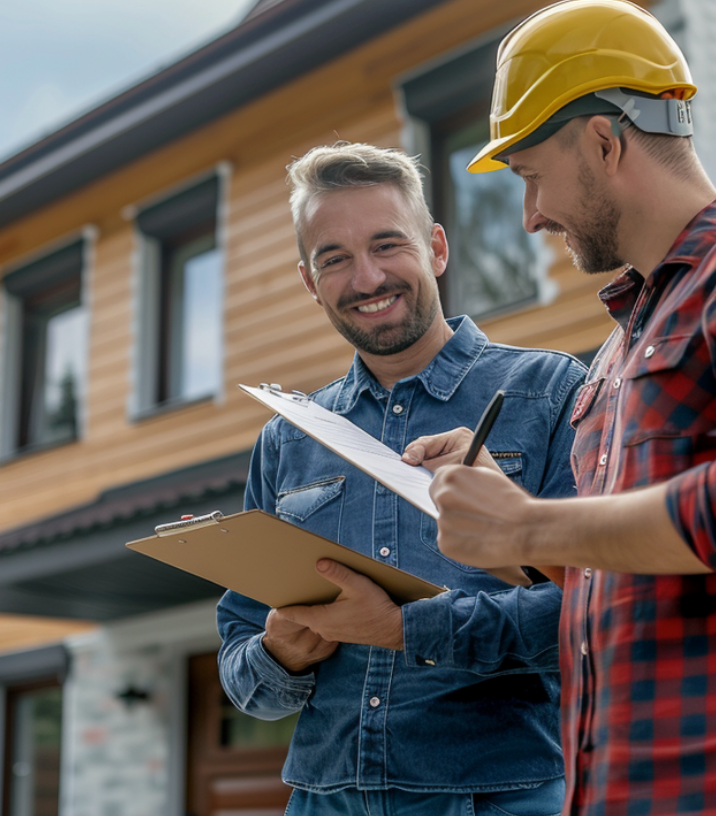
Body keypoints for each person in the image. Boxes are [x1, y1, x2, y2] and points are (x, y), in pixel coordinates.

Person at [408, 3, 716, 815]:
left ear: (606, 142)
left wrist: (528, 525)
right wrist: (504, 511)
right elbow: (622, 570)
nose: (531, 214)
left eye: (531, 174)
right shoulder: (611, 359)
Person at [215, 142, 586, 816]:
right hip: (324, 801)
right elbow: (243, 677)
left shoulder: (549, 391)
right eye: (335, 259)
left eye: (388, 245)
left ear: (437, 248)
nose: (366, 278)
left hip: (498, 797)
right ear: (308, 281)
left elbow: (591, 613)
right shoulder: (285, 439)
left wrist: (407, 628)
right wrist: (280, 655)